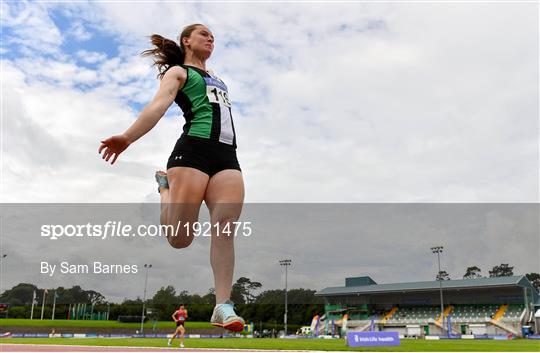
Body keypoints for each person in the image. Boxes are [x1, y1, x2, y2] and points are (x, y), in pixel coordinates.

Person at [98, 23, 245, 332]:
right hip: (192, 153)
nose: (210, 38)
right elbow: (158, 105)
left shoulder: (219, 80)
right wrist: (127, 138)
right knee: (180, 239)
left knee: (225, 227)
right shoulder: (178, 73)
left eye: (213, 35)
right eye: (203, 34)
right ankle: (165, 191)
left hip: (227, 156)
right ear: (187, 40)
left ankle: (222, 305)